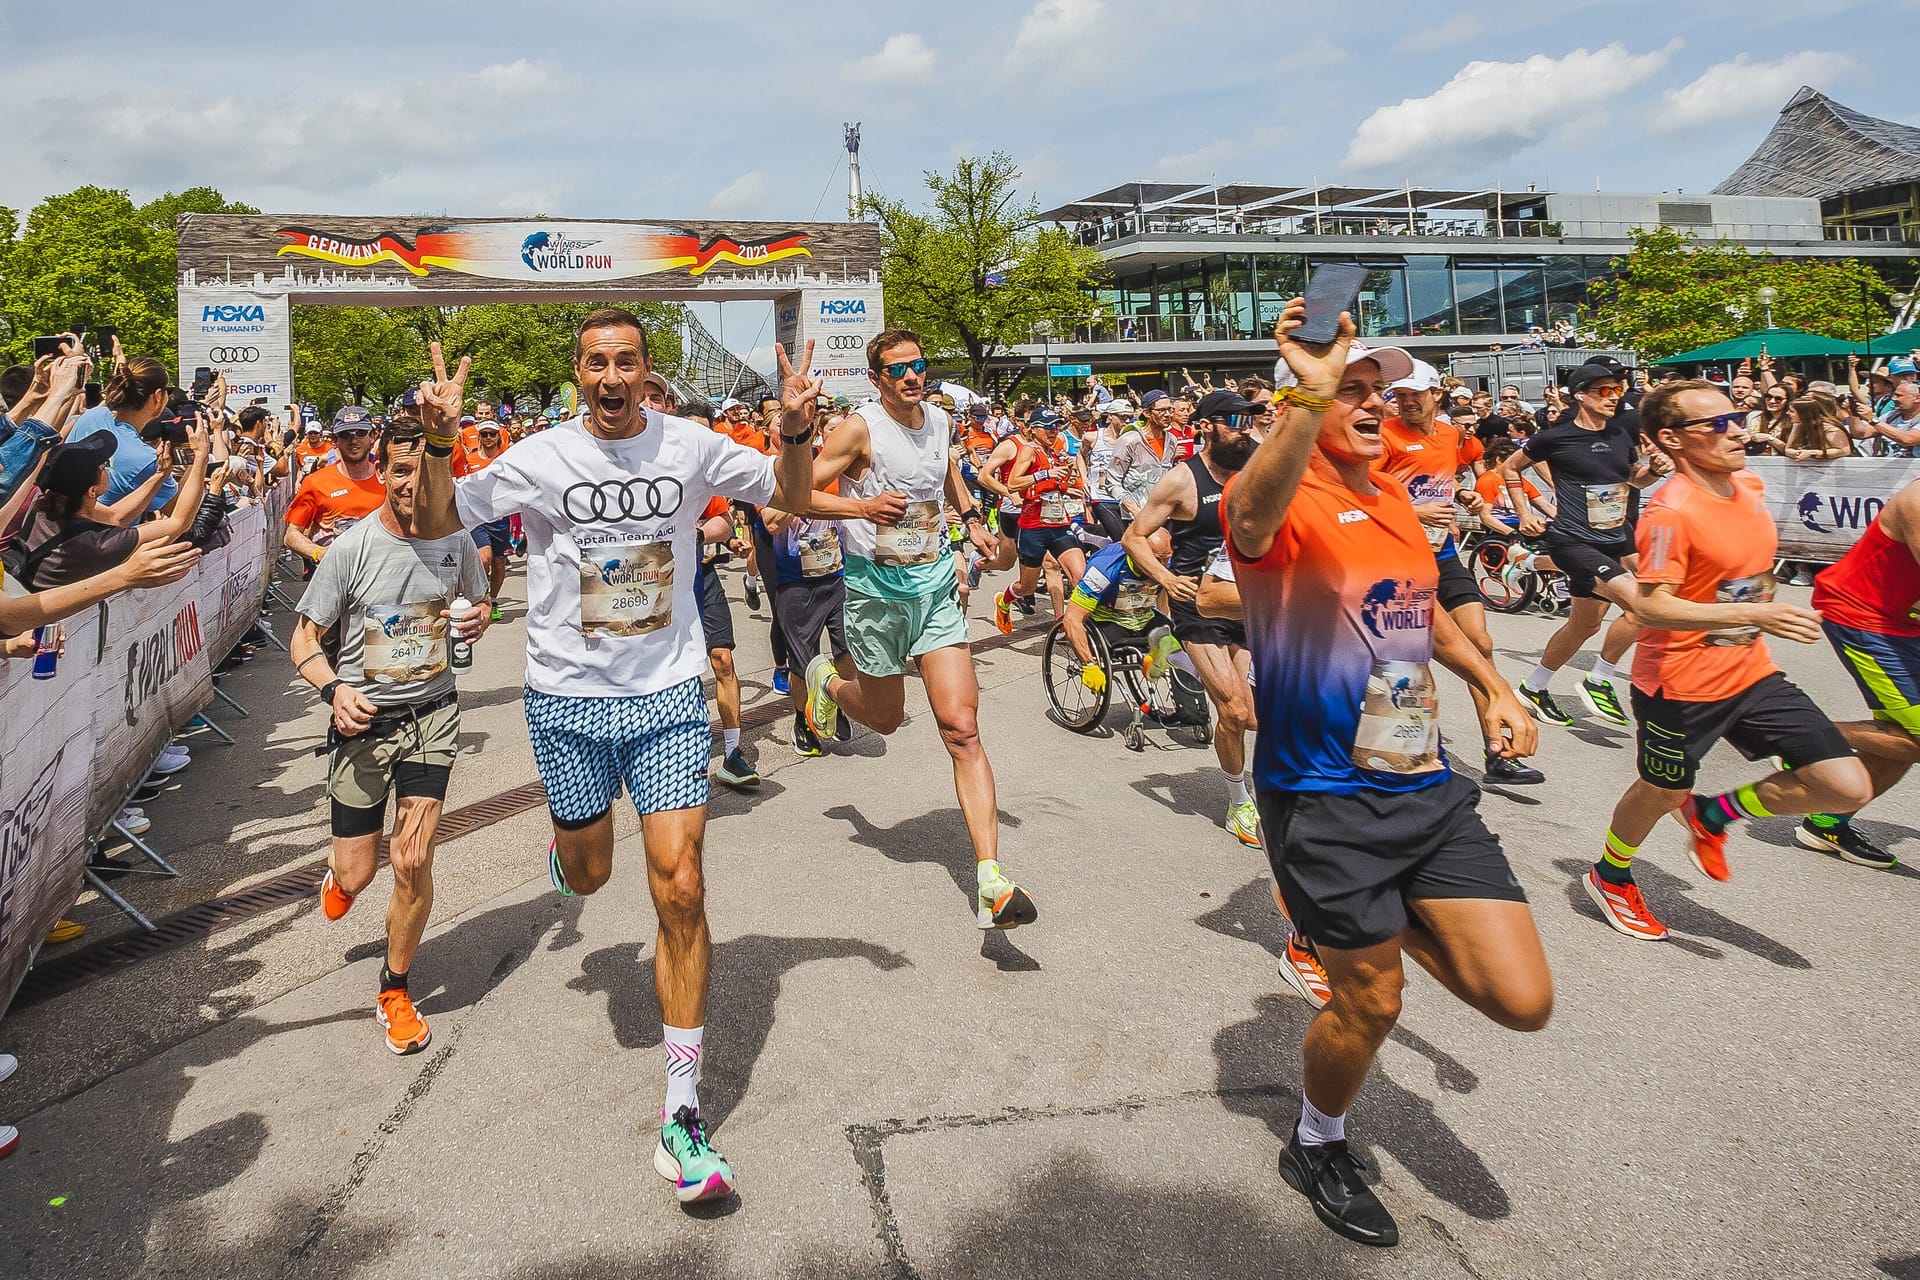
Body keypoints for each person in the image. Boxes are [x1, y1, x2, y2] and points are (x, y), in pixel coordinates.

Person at [408, 311, 824, 1205]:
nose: (609, 375)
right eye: (594, 362)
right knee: (592, 874)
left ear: (644, 372)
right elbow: (439, 517)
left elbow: (787, 492)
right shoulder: (545, 455)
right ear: (577, 373)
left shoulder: (692, 444)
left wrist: (793, 429)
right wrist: (438, 439)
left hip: (669, 693)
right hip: (566, 699)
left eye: (625, 361)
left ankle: (682, 1113)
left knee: (680, 886)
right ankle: (571, 850)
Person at [1225, 299, 1549, 1248]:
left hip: (1425, 784)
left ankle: (1367, 922)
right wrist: (1306, 396)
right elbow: (1244, 516)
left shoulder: (1398, 499)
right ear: (1310, 403)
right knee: (1372, 1001)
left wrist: (1492, 684)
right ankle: (1316, 1137)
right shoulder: (1282, 503)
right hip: (1322, 797)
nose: (1374, 403)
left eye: (1378, 389)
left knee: (1520, 1002)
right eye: (1354, 390)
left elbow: (1424, 614)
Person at [1584, 382, 1872, 939]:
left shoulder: (1750, 482)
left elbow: (1745, 576)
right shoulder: (1670, 513)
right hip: (1680, 683)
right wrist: (1760, 616)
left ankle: (1715, 814)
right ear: (1672, 439)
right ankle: (1611, 873)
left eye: (1735, 417)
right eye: (1716, 424)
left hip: (1752, 671)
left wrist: (1761, 611)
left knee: (1845, 784)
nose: (1736, 429)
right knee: (1662, 791)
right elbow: (1653, 606)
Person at [802, 328, 1037, 932]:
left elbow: (947, 477)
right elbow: (795, 494)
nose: (912, 376)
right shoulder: (859, 429)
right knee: (884, 717)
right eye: (898, 369)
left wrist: (971, 521)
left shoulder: (939, 420)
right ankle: (827, 684)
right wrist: (859, 507)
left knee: (961, 728)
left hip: (932, 585)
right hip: (875, 590)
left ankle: (991, 878)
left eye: (918, 365)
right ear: (877, 378)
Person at [291, 421, 491, 1051]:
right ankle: (340, 880)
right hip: (364, 726)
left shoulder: (456, 540)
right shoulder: (351, 550)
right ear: (383, 473)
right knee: (357, 872)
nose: (412, 485)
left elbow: (480, 604)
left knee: (411, 858)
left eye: (423, 472)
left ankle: (394, 986)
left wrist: (479, 618)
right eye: (399, 472)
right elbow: (303, 640)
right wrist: (334, 691)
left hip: (431, 715)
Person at [1373, 360, 1543, 786]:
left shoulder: (1451, 435)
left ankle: (1498, 751)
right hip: (1400, 554)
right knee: (1412, 656)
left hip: (1443, 552)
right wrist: (1417, 510)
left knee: (1480, 644)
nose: (1407, 401)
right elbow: (1365, 494)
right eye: (1400, 395)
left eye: (1416, 394)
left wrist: (1465, 493)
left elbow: (1459, 472)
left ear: (1436, 395)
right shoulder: (1385, 435)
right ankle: (1411, 746)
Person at [1122, 390, 1262, 846]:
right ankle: (1238, 799)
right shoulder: (1183, 480)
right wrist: (1165, 578)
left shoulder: (1261, 467)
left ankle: (1175, 657)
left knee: (1255, 716)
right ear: (1205, 425)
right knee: (1234, 709)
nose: (1244, 428)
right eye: (1233, 420)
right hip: (1197, 603)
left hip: (1250, 602)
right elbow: (1134, 537)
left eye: (1249, 419)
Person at [1497, 362, 1661, 729]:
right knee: (1643, 605)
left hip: (1612, 540)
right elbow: (1509, 468)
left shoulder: (1620, 435)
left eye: (1617, 391)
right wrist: (1524, 513)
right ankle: (1599, 678)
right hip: (1573, 540)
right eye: (1604, 391)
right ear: (1580, 396)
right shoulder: (1555, 438)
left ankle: (1534, 687)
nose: (1613, 397)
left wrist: (1656, 470)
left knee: (1584, 625)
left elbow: (1633, 481)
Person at [1795, 475, 1920, 869]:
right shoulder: (1918, 500)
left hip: (1904, 622)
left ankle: (1827, 822)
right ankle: (1793, 734)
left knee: (1903, 743)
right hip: (1862, 618)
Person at [18, 420, 212, 590]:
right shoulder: (97, 545)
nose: (107, 469)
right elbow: (179, 523)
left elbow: (116, 517)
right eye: (103, 466)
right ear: (92, 491)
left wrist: (160, 475)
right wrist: (200, 459)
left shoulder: (42, 505)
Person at [993, 409, 1089, 632]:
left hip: (1058, 524)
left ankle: (1079, 626)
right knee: (1027, 587)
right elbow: (1014, 483)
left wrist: (1067, 482)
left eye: (1056, 427)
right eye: (1048, 427)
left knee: (1080, 577)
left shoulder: (1055, 452)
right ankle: (1004, 600)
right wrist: (1043, 475)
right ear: (1034, 429)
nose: (1053, 431)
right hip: (1033, 527)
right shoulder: (1028, 451)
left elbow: (1057, 484)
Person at [284, 406, 385, 573]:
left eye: (360, 433)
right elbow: (291, 535)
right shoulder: (315, 482)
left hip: (382, 577)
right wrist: (321, 553)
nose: (353, 441)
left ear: (372, 436)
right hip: (336, 578)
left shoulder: (388, 479)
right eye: (345, 435)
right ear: (335, 441)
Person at [461, 418, 514, 617]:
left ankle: (492, 601)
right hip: (476, 518)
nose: (489, 437)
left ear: (498, 436)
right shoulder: (470, 460)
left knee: (499, 562)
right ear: (479, 437)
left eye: (492, 434)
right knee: (485, 558)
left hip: (500, 517)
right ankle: (479, 597)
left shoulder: (506, 459)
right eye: (484, 434)